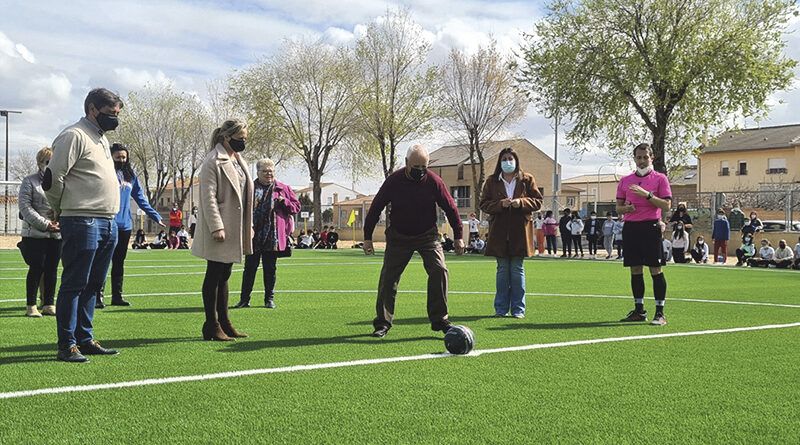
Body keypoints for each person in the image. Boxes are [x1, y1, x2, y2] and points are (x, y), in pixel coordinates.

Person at [43, 88, 123, 362]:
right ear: (92, 109)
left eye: (117, 114)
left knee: (94, 285)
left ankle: (84, 338)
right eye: (111, 113)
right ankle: (67, 344)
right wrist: (59, 207)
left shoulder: (100, 138)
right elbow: (53, 179)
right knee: (75, 283)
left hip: (107, 221)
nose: (115, 119)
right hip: (82, 219)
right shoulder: (74, 135)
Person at [363, 144, 464, 338]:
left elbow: (451, 208)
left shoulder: (434, 182)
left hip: (427, 235)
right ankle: (383, 323)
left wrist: (459, 236)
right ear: (407, 163)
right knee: (388, 278)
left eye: (424, 167)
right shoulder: (393, 181)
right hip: (399, 236)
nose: (420, 171)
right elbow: (376, 208)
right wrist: (367, 238)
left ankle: (440, 320)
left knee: (440, 270)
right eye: (416, 167)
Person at [191, 118, 253, 341]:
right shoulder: (212, 161)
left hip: (235, 226)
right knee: (214, 274)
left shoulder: (239, 160)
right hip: (220, 227)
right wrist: (217, 226)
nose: (243, 142)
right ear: (226, 137)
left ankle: (224, 321)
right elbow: (207, 198)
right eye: (240, 138)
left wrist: (250, 226)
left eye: (245, 139)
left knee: (225, 274)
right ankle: (211, 323)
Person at [96, 143, 165, 308]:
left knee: (119, 262)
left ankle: (117, 296)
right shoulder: (105, 173)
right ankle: (98, 296)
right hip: (107, 223)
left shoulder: (131, 177)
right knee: (102, 261)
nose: (121, 160)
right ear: (110, 157)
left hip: (124, 226)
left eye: (124, 157)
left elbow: (141, 199)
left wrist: (154, 215)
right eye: (118, 157)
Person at [480, 147, 543, 318]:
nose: (508, 162)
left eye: (511, 158)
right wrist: (501, 204)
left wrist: (521, 202)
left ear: (516, 160)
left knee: (516, 269)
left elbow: (538, 202)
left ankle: (518, 309)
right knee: (502, 270)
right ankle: (500, 309)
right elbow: (484, 204)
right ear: (500, 162)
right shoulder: (492, 181)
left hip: (520, 233)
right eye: (504, 159)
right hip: (499, 232)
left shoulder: (527, 179)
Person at [615, 143, 672, 326]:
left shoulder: (660, 179)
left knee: (655, 269)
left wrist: (647, 195)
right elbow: (618, 208)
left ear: (651, 158)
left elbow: (666, 206)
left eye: (645, 157)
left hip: (651, 227)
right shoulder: (625, 180)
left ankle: (660, 313)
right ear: (634, 159)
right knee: (635, 269)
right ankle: (639, 310)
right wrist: (627, 209)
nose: (641, 161)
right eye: (638, 157)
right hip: (631, 228)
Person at [233, 158, 300, 309]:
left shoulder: (283, 188)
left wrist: (285, 202)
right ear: (258, 172)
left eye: (271, 171)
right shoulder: (249, 188)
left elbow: (296, 207)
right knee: (250, 268)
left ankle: (269, 299)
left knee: (270, 269)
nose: (269, 174)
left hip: (273, 236)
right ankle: (244, 299)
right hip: (253, 235)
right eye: (265, 171)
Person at [18, 147, 61, 317]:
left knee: (52, 269)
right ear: (40, 163)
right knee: (36, 268)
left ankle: (49, 303)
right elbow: (25, 207)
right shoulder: (29, 181)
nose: (50, 166)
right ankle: (31, 305)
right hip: (35, 234)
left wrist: (59, 220)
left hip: (57, 233)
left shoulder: (62, 181)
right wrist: (45, 224)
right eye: (47, 162)